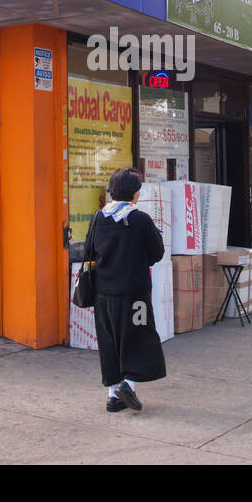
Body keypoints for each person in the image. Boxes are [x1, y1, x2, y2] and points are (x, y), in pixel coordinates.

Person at [85, 166, 167, 412]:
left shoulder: (99, 218)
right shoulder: (140, 219)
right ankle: (128, 384)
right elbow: (157, 252)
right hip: (135, 296)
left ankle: (113, 397)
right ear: (134, 193)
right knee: (140, 336)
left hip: (103, 296)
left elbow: (88, 252)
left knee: (110, 342)